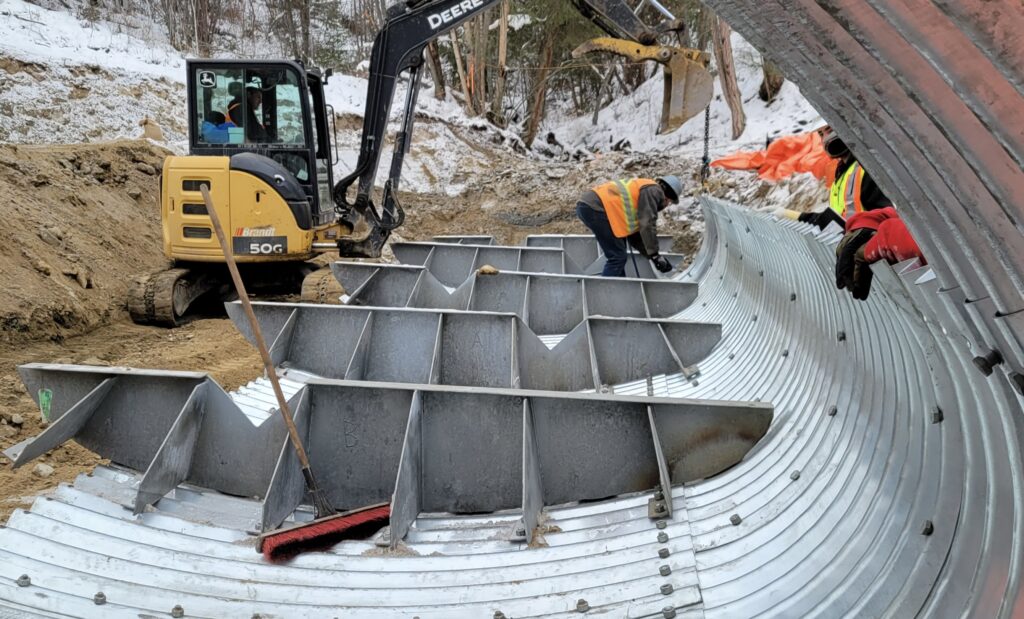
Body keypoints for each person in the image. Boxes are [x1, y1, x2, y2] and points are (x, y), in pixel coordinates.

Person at [576, 175, 682, 277]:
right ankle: (605, 293)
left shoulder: (644, 192)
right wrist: (655, 255)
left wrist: (653, 257)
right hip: (596, 208)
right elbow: (647, 225)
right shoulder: (654, 191)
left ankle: (620, 290)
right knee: (617, 257)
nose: (667, 205)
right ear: (668, 197)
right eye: (670, 202)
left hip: (590, 206)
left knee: (618, 256)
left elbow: (636, 238)